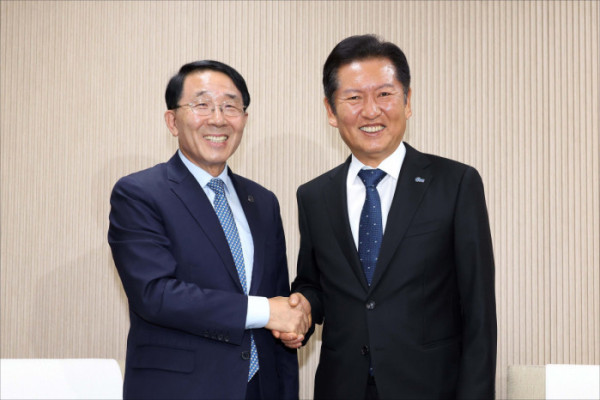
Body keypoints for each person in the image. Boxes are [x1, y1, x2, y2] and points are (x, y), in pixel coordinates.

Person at [281, 34, 497, 399]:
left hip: (430, 389)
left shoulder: (456, 183)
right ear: (331, 111)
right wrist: (302, 306)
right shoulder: (314, 196)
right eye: (353, 98)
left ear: (407, 101)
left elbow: (479, 310)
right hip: (341, 387)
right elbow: (314, 284)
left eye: (384, 94)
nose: (370, 111)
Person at [108, 60, 305, 400]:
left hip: (260, 388)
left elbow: (277, 302)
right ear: (172, 121)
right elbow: (155, 294)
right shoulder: (139, 193)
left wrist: (288, 324)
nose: (218, 118)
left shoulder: (263, 201)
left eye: (230, 106)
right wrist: (265, 312)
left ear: (244, 119)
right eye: (202, 105)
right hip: (180, 390)